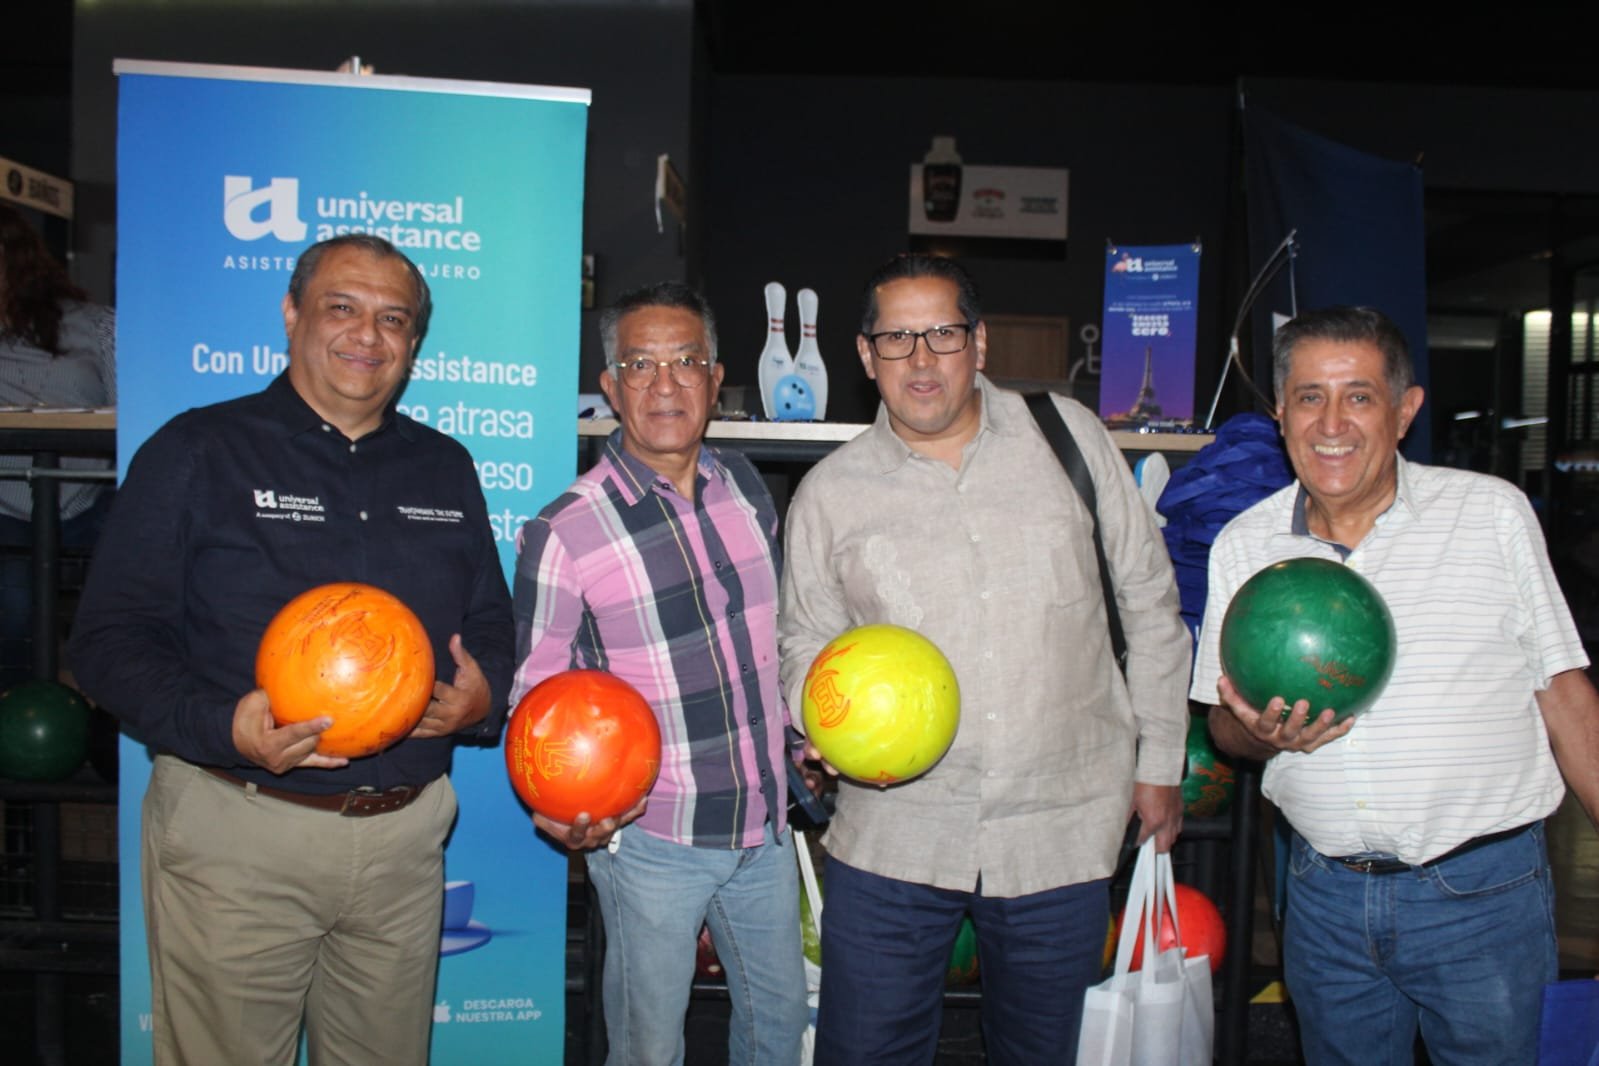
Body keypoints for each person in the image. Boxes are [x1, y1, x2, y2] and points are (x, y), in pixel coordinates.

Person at [67, 234, 514, 1066]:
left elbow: (489, 621)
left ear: (413, 341)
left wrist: (481, 697)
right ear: (291, 313)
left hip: (404, 840)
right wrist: (222, 725)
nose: (367, 335)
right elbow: (108, 640)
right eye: (342, 308)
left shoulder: (444, 466)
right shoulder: (200, 449)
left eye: (393, 319)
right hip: (241, 831)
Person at [778, 253, 1191, 1064]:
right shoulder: (830, 492)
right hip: (894, 834)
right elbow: (804, 642)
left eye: (942, 333)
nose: (920, 359)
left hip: (1061, 825)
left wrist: (1161, 762)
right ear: (864, 355)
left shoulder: (1066, 437)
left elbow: (1148, 599)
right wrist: (817, 720)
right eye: (895, 339)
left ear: (979, 343)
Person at [1190, 305, 1599, 1066]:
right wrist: (1258, 732)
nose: (1331, 423)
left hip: (1482, 898)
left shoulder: (1490, 515)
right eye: (1309, 397)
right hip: (1323, 897)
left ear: (1404, 411)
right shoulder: (1244, 545)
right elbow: (1221, 725)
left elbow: (1565, 697)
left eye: (1359, 396)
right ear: (1280, 412)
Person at [512, 282, 807, 1065]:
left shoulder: (746, 488)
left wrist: (798, 735)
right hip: (652, 839)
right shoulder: (564, 530)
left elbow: (765, 645)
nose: (665, 384)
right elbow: (535, 698)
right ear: (610, 387)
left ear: (716, 378)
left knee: (778, 1032)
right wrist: (554, 800)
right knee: (648, 1050)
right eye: (640, 365)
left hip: (764, 826)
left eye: (686, 361)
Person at [0, 203, 116, 687]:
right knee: (14, 607)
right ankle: (19, 712)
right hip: (6, 503)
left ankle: (110, 712)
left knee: (125, 605)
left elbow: (134, 409)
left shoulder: (94, 324)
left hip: (93, 498)